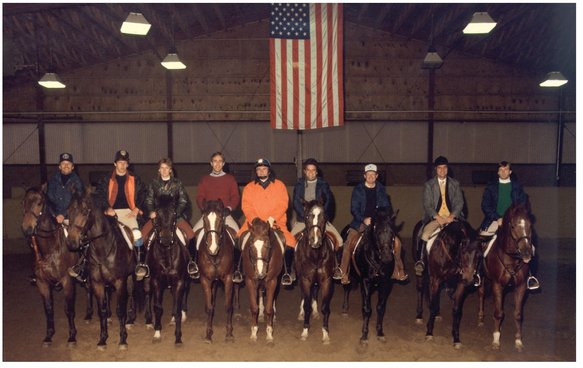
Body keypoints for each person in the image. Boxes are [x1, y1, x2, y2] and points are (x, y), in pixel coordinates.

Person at [339, 164, 407, 285]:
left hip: (378, 223)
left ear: (376, 176)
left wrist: (379, 218)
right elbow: (354, 209)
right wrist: (363, 219)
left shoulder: (381, 189)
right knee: (348, 243)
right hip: (360, 222)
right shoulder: (358, 190)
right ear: (364, 176)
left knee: (396, 242)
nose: (370, 177)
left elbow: (386, 207)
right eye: (368, 175)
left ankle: (398, 270)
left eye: (373, 175)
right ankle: (343, 272)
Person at [479, 161, 540, 290]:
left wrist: (512, 218)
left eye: (506, 170)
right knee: (481, 242)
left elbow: (522, 204)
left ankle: (530, 276)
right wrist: (496, 218)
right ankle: (478, 273)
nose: (503, 172)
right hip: (495, 220)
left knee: (531, 247)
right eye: (501, 170)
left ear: (510, 171)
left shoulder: (517, 187)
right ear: (498, 172)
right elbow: (485, 205)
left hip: (514, 221)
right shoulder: (491, 187)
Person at [237, 158, 297, 286]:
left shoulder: (279, 185)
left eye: (264, 169)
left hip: (275, 223)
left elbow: (283, 204)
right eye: (259, 169)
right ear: (256, 172)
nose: (261, 171)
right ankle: (238, 270)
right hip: (254, 224)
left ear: (269, 171)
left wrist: (273, 217)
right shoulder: (249, 187)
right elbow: (246, 205)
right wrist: (254, 219)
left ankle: (287, 271)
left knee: (291, 242)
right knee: (239, 239)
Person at [136, 158, 197, 281]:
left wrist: (176, 213)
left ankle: (191, 263)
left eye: (166, 168)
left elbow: (183, 200)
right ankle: (142, 264)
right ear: (159, 170)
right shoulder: (153, 183)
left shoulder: (177, 184)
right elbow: (149, 200)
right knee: (141, 235)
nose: (164, 170)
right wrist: (151, 211)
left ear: (170, 170)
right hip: (158, 217)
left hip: (174, 216)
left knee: (191, 234)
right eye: (162, 168)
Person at [93, 150, 147, 277]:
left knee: (137, 234)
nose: (122, 165)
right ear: (114, 164)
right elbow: (99, 195)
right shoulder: (106, 179)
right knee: (96, 233)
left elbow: (143, 193)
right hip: (110, 213)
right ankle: (85, 263)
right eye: (119, 162)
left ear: (128, 164)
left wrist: (136, 208)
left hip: (129, 213)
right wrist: (107, 208)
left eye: (125, 162)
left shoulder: (135, 179)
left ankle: (140, 263)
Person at [291, 158, 343, 279]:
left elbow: (329, 202)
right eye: (308, 170)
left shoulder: (323, 185)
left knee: (339, 240)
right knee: (290, 242)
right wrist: (305, 217)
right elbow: (296, 202)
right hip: (303, 220)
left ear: (316, 172)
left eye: (313, 170)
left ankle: (336, 267)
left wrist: (322, 216)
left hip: (320, 220)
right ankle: (291, 270)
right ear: (304, 171)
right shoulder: (299, 185)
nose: (310, 173)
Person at [192, 151, 241, 281]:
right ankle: (194, 265)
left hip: (225, 215)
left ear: (223, 163)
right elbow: (200, 196)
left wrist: (229, 208)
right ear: (211, 163)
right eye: (215, 161)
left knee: (238, 235)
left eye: (220, 161)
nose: (217, 164)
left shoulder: (230, 179)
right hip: (209, 215)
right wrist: (204, 207)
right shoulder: (205, 179)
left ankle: (237, 269)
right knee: (192, 235)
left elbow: (235, 196)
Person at [414, 156, 464, 276]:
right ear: (436, 169)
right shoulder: (429, 185)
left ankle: (465, 265)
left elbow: (459, 202)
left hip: (452, 218)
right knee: (425, 234)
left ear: (447, 169)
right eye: (439, 168)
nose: (442, 170)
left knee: (466, 236)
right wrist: (438, 217)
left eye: (445, 168)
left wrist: (452, 216)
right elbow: (427, 204)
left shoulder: (455, 184)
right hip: (436, 218)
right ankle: (421, 261)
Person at [47, 153, 84, 283]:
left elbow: (77, 201)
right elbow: (49, 199)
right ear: (59, 166)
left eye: (68, 164)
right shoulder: (53, 180)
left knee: (76, 238)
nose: (66, 166)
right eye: (63, 164)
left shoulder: (77, 181)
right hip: (55, 216)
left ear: (72, 166)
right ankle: (40, 265)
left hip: (70, 217)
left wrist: (64, 214)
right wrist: (55, 214)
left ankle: (80, 266)